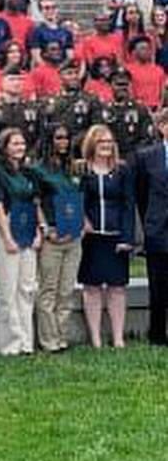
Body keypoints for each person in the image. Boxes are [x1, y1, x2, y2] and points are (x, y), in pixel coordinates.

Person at [78, 124, 135, 349]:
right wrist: (82, 220)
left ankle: (118, 338)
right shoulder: (83, 170)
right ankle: (96, 339)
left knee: (117, 287)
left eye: (109, 142)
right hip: (91, 237)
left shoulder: (122, 170)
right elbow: (75, 200)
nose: (106, 146)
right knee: (91, 287)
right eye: (101, 142)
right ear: (92, 144)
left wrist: (127, 237)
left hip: (115, 236)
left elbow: (128, 205)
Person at [0, 127, 42, 356]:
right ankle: (11, 343)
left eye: (22, 144)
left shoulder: (28, 172)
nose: (19, 148)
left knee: (27, 287)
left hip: (28, 227)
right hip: (8, 228)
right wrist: (7, 237)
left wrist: (40, 231)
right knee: (8, 287)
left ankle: (26, 341)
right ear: (4, 147)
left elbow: (36, 203)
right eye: (14, 144)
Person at [32, 125, 83, 352]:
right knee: (49, 289)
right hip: (52, 235)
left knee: (66, 290)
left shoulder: (74, 168)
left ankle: (62, 336)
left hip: (73, 236)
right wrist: (45, 228)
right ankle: (48, 339)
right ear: (49, 140)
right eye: (59, 138)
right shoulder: (38, 170)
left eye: (66, 137)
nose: (63, 142)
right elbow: (35, 202)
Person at [133, 107, 168, 346]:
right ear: (162, 127)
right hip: (158, 227)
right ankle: (157, 335)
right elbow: (141, 194)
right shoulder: (147, 156)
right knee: (158, 286)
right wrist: (151, 220)